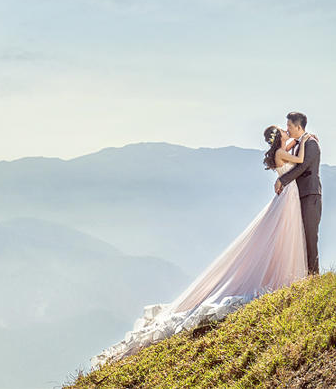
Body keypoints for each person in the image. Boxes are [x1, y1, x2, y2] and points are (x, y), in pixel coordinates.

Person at [89, 125, 308, 370]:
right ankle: (285, 276)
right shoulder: (283, 151)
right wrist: (306, 138)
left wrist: (297, 140)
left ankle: (285, 274)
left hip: (286, 195)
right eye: (285, 130)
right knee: (281, 233)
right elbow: (300, 159)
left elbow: (290, 147)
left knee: (281, 234)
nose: (288, 132)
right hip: (287, 196)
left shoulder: (280, 149)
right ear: (280, 137)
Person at [274, 111, 322, 276]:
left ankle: (314, 276)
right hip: (296, 197)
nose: (287, 128)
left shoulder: (311, 144)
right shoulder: (297, 144)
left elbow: (303, 166)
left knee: (309, 237)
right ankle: (302, 275)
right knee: (299, 237)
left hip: (310, 195)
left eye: (289, 125)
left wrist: (282, 180)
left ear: (298, 126)